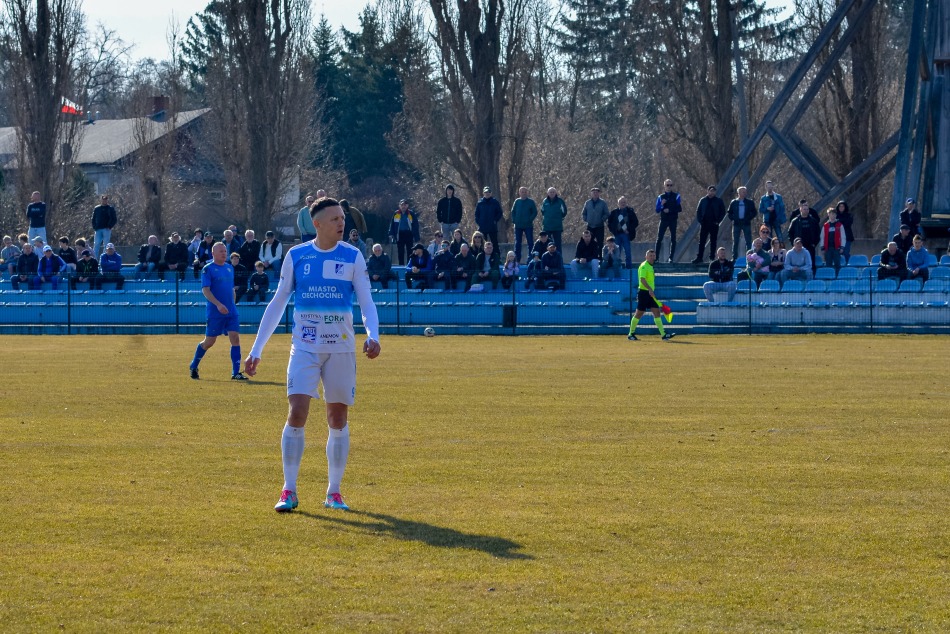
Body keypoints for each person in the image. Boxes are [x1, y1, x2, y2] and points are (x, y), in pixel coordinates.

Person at [243, 197, 381, 513]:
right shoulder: (297, 256)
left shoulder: (353, 256)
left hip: (341, 349)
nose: (341, 223)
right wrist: (256, 350)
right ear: (316, 224)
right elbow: (278, 302)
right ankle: (288, 490)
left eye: (342, 218)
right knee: (297, 412)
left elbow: (366, 302)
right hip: (304, 347)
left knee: (338, 418)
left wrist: (373, 335)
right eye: (334, 219)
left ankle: (334, 492)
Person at [189, 242, 247, 381]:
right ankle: (194, 365)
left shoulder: (229, 268)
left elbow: (231, 289)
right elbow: (206, 290)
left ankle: (236, 373)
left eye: (225, 251)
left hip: (231, 311)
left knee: (235, 338)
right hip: (215, 312)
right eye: (221, 251)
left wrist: (232, 304)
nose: (224, 253)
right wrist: (218, 305)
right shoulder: (208, 269)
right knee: (209, 342)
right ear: (213, 253)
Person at [628, 249, 674, 340]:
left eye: (653, 256)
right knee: (639, 313)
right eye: (650, 256)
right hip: (644, 293)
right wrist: (649, 289)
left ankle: (663, 335)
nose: (652, 257)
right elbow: (642, 279)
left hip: (650, 293)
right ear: (646, 257)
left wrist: (651, 290)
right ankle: (630, 334)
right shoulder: (644, 266)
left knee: (656, 312)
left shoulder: (650, 266)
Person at [693, 185, 726, 263]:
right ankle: (699, 257)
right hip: (704, 223)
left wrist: (718, 221)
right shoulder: (703, 200)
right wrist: (700, 221)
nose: (712, 192)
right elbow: (698, 211)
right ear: (707, 191)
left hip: (714, 223)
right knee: (702, 241)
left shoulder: (719, 201)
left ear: (715, 192)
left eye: (713, 191)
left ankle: (712, 258)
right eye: (710, 191)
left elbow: (722, 212)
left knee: (713, 241)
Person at [786, 201, 820, 273]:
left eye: (807, 209)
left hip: (810, 246)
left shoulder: (813, 221)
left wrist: (814, 243)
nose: (806, 211)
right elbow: (790, 233)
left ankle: (811, 277)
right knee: (798, 264)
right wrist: (793, 244)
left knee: (811, 264)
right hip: (798, 246)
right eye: (804, 209)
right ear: (800, 209)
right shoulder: (795, 221)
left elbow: (818, 232)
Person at [655, 179, 682, 262]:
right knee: (659, 238)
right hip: (664, 220)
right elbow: (657, 210)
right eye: (667, 185)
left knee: (673, 238)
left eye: (671, 185)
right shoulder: (660, 197)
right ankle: (656, 258)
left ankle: (671, 257)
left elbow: (679, 208)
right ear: (664, 186)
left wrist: (670, 210)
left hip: (673, 220)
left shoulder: (676, 196)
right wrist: (662, 205)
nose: (669, 187)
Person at [727, 186, 757, 261]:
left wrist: (748, 218)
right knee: (735, 241)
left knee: (748, 241)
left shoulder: (749, 202)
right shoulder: (734, 202)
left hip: (746, 223)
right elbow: (729, 213)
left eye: (745, 192)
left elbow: (754, 212)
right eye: (743, 192)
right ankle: (734, 257)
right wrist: (734, 218)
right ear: (739, 193)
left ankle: (749, 257)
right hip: (736, 223)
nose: (745, 193)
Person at [608, 196, 638, 269]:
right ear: (618, 203)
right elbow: (609, 223)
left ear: (626, 203)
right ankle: (617, 266)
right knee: (617, 252)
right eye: (621, 202)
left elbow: (636, 222)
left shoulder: (630, 212)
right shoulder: (614, 212)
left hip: (626, 235)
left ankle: (628, 267)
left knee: (627, 252)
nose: (623, 204)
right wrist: (614, 231)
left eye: (624, 202)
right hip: (617, 235)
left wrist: (629, 230)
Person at [511, 186, 538, 263]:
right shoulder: (517, 201)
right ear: (519, 193)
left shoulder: (531, 202)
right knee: (517, 243)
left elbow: (535, 212)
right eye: (522, 192)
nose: (523, 193)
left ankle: (530, 258)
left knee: (530, 242)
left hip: (528, 226)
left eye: (525, 192)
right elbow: (513, 211)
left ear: (527, 193)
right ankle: (517, 259)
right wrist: (514, 220)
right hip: (518, 226)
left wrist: (529, 219)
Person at [389, 199, 419, 266]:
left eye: (405, 205)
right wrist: (391, 234)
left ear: (407, 205)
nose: (403, 206)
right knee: (400, 251)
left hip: (409, 234)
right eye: (402, 205)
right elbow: (392, 224)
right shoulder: (396, 213)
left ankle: (409, 265)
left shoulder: (411, 214)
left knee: (410, 251)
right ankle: (401, 265)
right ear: (399, 205)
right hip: (399, 234)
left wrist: (416, 235)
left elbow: (415, 225)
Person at [541, 187, 568, 252]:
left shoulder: (560, 201)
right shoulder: (545, 201)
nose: (552, 193)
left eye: (553, 192)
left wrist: (559, 218)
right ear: (548, 193)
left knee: (558, 244)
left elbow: (564, 212)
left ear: (555, 193)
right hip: (547, 226)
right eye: (550, 192)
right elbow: (542, 211)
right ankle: (547, 257)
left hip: (557, 227)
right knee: (547, 244)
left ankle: (559, 257)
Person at [820, 209, 846, 273]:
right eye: (831, 214)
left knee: (837, 264)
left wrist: (842, 247)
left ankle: (837, 276)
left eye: (834, 214)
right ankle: (829, 276)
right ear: (828, 214)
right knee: (828, 264)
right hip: (828, 248)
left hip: (837, 248)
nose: (833, 215)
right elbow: (822, 237)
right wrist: (822, 247)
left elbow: (843, 237)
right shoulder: (825, 225)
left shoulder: (840, 225)